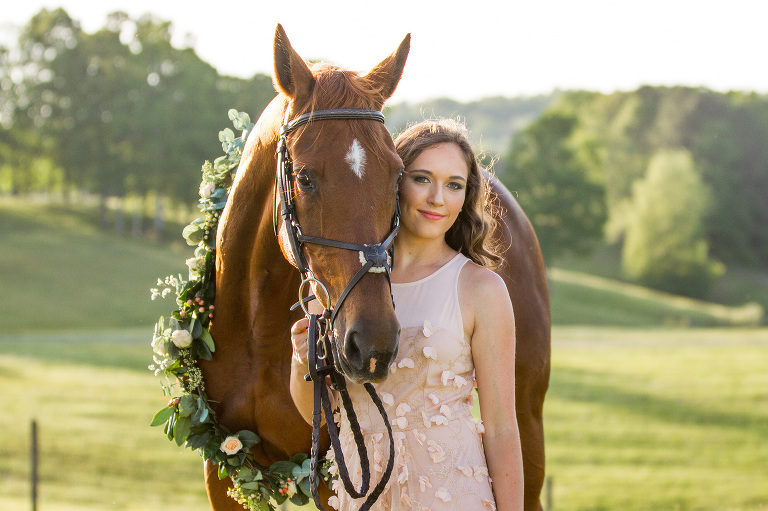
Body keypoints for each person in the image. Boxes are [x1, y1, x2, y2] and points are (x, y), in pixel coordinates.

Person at [289, 118, 524, 511]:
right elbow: (322, 417)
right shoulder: (337, 286)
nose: (437, 198)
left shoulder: (481, 290)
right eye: (422, 179)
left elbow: (501, 427)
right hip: (363, 497)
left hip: (450, 496)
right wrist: (302, 362)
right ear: (393, 182)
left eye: (454, 185)